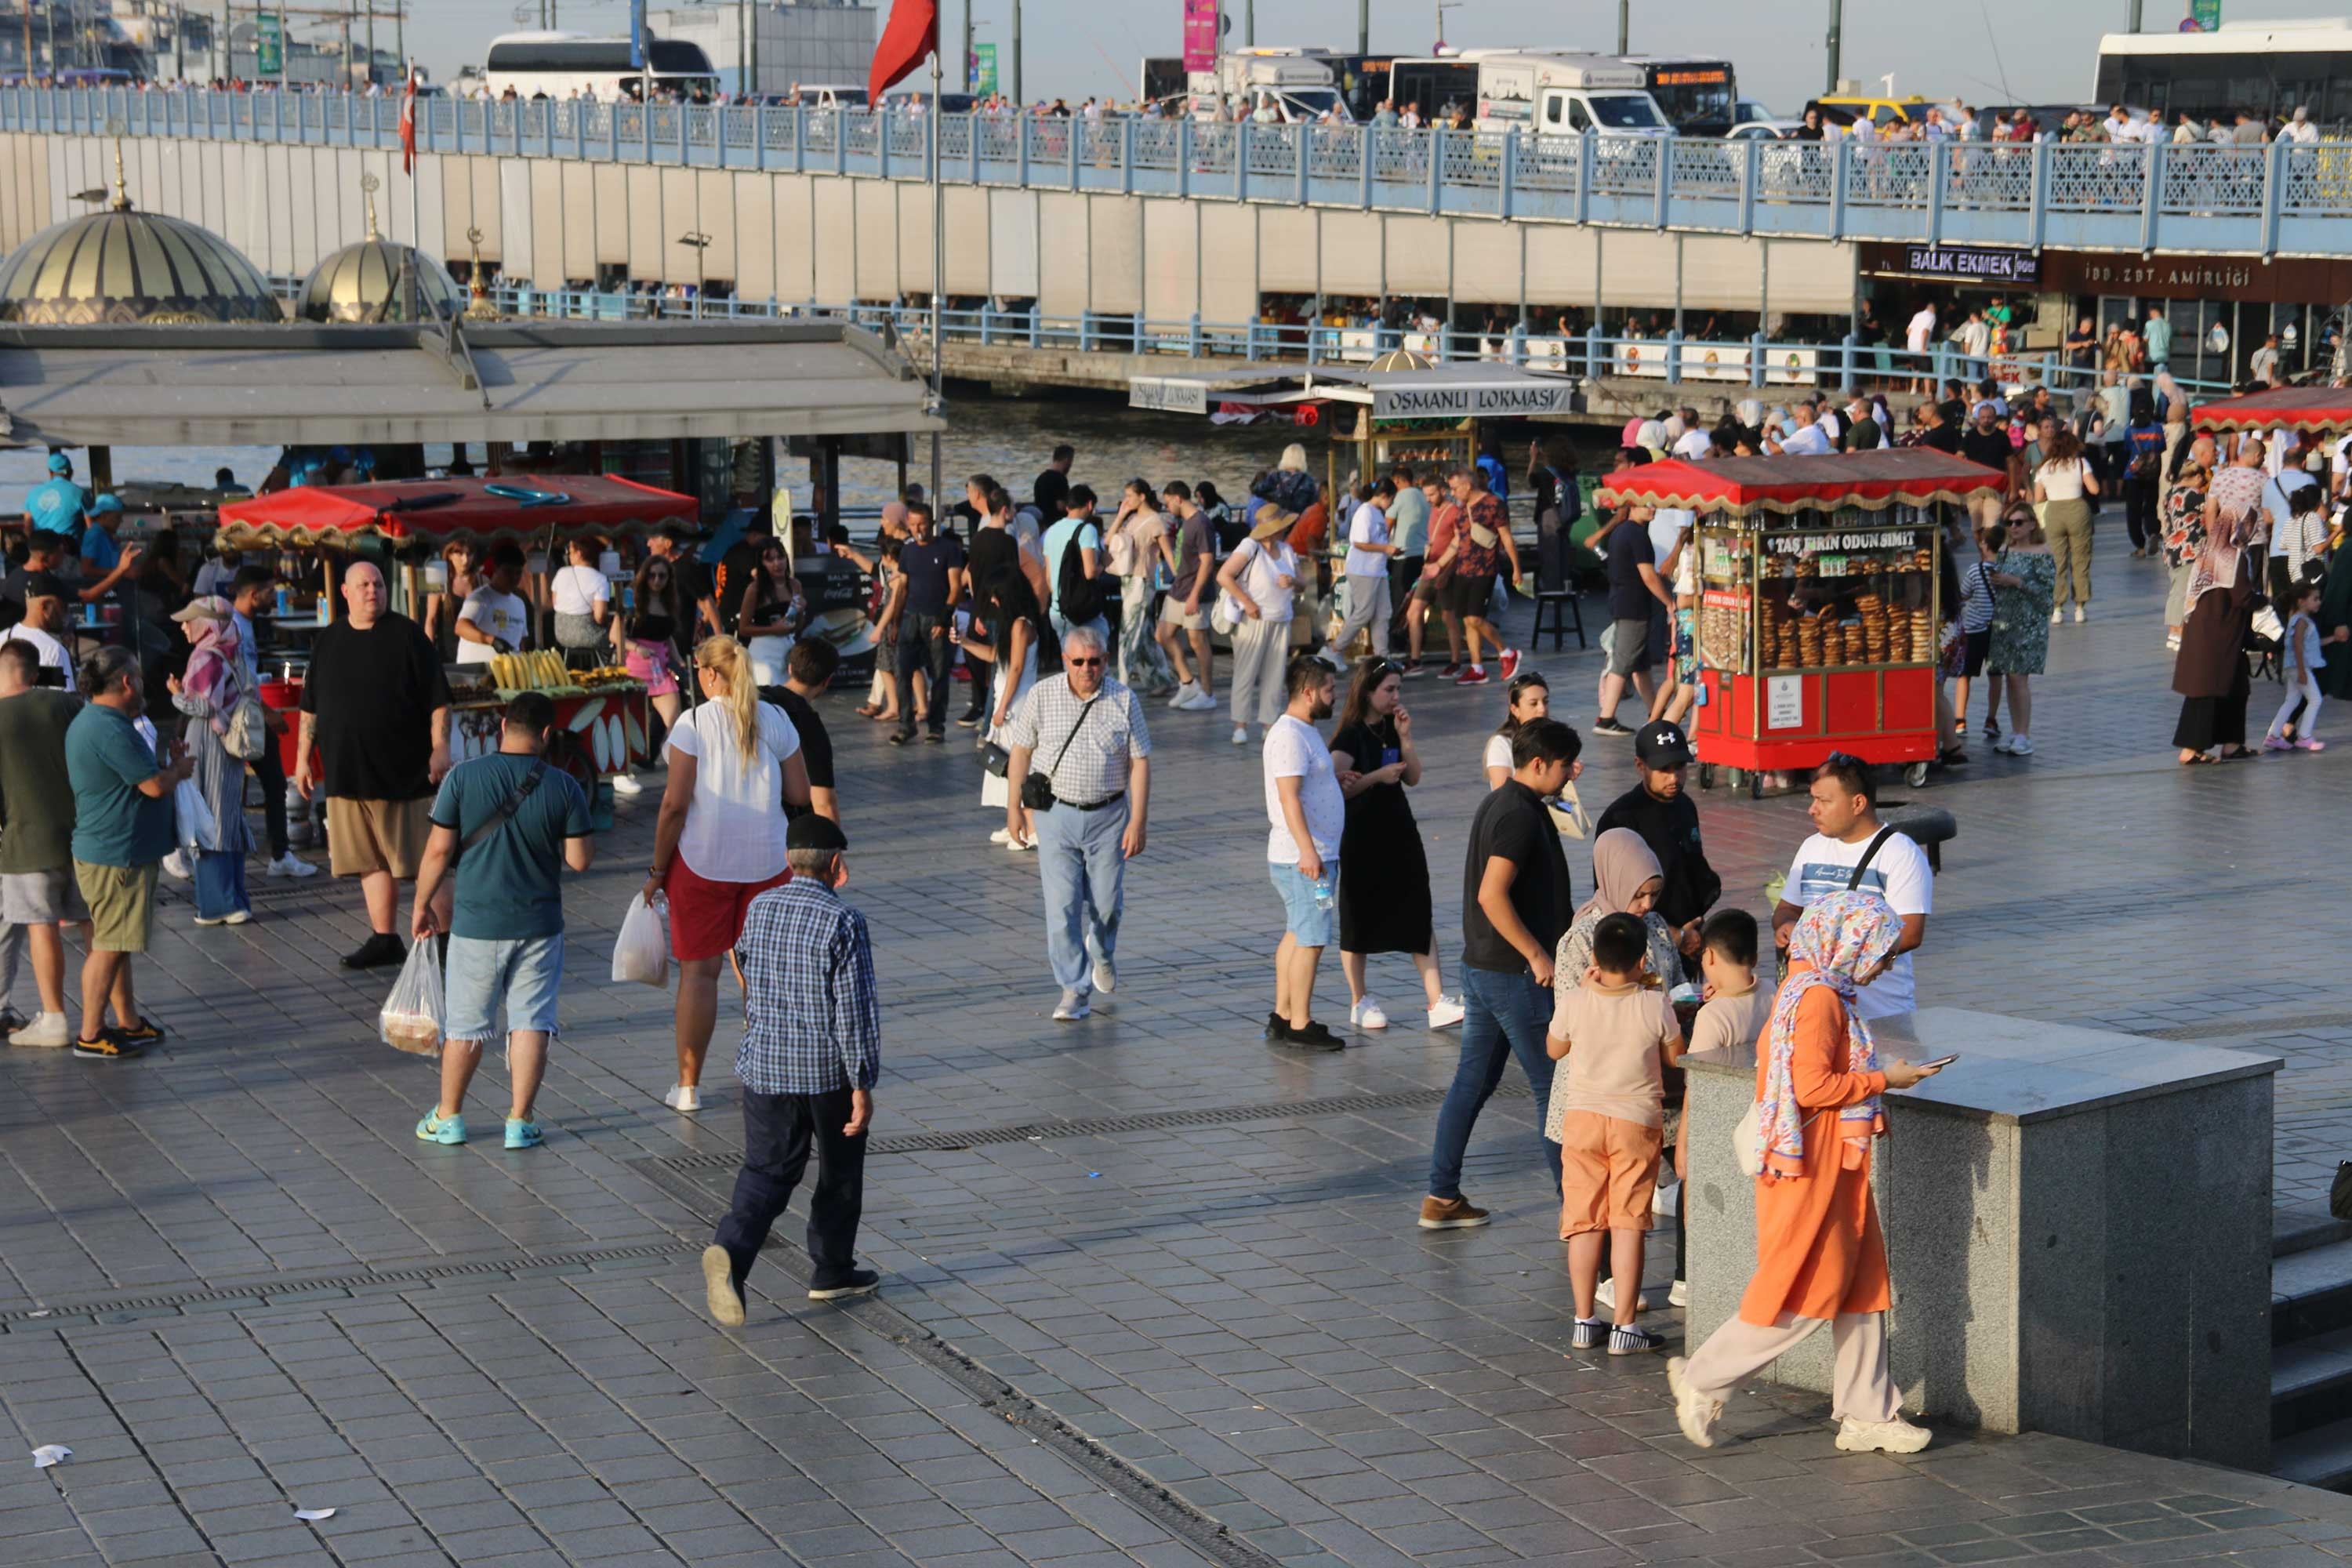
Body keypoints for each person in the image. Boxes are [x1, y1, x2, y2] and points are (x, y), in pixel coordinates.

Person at [1668, 892, 1947, 1455]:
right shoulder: (1819, 999)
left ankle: (1869, 1412)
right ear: (1849, 946)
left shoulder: (1813, 988)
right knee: (1804, 1293)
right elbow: (1812, 1087)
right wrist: (1883, 1080)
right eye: (1881, 952)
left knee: (1861, 1287)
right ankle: (1705, 1377)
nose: (1886, 964)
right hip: (1812, 1169)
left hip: (1827, 1165)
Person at [699, 813, 882, 1324]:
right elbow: (855, 1009)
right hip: (827, 1072)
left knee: (767, 1170)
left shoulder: (759, 907)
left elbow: (743, 967)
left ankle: (732, 1255)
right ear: (837, 867)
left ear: (788, 861)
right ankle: (832, 1271)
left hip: (765, 1065)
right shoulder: (844, 921)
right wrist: (863, 1082)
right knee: (840, 1170)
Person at [408, 691, 593, 1149]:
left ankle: (449, 1118)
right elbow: (579, 861)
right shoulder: (564, 786)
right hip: (540, 924)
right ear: (548, 735)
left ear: (503, 725)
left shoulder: (463, 777)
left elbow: (438, 850)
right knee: (531, 1020)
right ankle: (520, 1121)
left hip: (476, 925)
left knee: (467, 1024)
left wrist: (421, 903)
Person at [1423, 718, 1581, 1231]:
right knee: (1554, 1090)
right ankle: (1575, 1208)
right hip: (1514, 976)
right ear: (1538, 764)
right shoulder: (1517, 814)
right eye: (1565, 765)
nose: (1571, 773)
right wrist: (1538, 955)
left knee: (1473, 1081)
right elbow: (1492, 894)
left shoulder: (1505, 802)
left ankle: (1441, 1196)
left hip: (1484, 969)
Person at [646, 636, 811, 1110]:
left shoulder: (692, 723)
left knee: (699, 975)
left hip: (703, 862)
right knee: (764, 974)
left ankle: (688, 1087)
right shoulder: (775, 718)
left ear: (712, 674)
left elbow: (674, 806)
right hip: (769, 862)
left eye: (697, 668)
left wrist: (658, 869)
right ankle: (775, 1074)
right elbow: (799, 792)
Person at [296, 561, 452, 971]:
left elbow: (438, 699)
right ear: (345, 593)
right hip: (347, 773)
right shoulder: (328, 640)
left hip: (405, 772)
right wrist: (302, 759)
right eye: (363, 585)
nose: (373, 591)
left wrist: (440, 747)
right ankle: (385, 938)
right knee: (368, 859)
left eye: (379, 584)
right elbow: (310, 707)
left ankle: (447, 940)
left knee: (426, 859)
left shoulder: (408, 636)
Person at [1546, 909, 1682, 1357]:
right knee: (1627, 1223)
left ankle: (1584, 1320)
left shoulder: (1576, 1001)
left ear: (1595, 958)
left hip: (1582, 1119)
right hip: (1635, 1121)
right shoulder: (1653, 1003)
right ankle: (1625, 1327)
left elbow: (1554, 1049)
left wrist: (1587, 992)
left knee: (1584, 1220)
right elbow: (1674, 1055)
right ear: (1643, 958)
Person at [1000, 623, 1152, 1022]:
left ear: (1105, 660)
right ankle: (1074, 988)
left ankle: (1102, 952)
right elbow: (1020, 752)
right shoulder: (1042, 695)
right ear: (1066, 661)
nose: (1087, 668)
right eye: (1079, 661)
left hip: (1109, 816)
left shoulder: (1124, 698)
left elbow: (1140, 762)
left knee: (1106, 905)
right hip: (1056, 815)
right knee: (1062, 905)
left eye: (1095, 661)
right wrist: (1013, 807)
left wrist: (1139, 819)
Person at [64, 646, 191, 1060]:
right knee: (110, 946)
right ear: (125, 681)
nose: (142, 685)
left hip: (113, 850)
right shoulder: (110, 728)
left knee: (115, 941)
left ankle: (128, 1022)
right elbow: (152, 786)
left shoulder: (101, 722)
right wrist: (178, 771)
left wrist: (165, 768)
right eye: (138, 677)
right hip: (116, 853)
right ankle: (90, 1033)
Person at [1770, 756, 1933, 1020]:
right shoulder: (1812, 847)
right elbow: (1787, 909)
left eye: (1824, 801)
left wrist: (1856, 952)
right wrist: (1788, 926)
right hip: (1818, 1012)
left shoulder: (1900, 853)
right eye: (1813, 799)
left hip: (1882, 1015)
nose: (1813, 809)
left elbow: (1911, 932)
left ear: (1858, 803)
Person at [0, 640, 85, 1048]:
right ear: (34, 673)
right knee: (92, 924)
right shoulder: (68, 706)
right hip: (82, 834)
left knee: (40, 925)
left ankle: (54, 1018)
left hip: (25, 841)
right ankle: (105, 1013)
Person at [1262, 657, 1346, 1050]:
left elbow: (1305, 785)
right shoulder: (1290, 735)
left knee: (1297, 932)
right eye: (1329, 689)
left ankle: (1282, 1014)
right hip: (1306, 859)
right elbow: (1288, 797)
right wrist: (1309, 852)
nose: (1334, 696)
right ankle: (1300, 1021)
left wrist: (1333, 780)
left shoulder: (1304, 730)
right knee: (1312, 939)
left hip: (1307, 855)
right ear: (1308, 692)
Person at [164, 597, 255, 927]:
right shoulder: (233, 650)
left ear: (206, 624)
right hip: (227, 745)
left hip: (208, 742)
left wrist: (176, 694)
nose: (184, 626)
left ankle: (220, 905)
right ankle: (234, 898)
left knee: (207, 817)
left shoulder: (205, 656)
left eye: (190, 621)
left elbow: (204, 707)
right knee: (225, 816)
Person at [2174, 441, 2267, 764]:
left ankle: (2231, 743)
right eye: (2249, 523)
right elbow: (2242, 596)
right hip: (2220, 635)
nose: (2251, 528)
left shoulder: (2208, 551)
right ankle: (2192, 750)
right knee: (2210, 691)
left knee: (2233, 687)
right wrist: (2266, 601)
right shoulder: (2234, 556)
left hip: (2208, 632)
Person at [1595, 720, 1720, 932]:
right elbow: (1613, 901)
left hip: (1692, 932)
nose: (1673, 778)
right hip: (1646, 941)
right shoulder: (1620, 819)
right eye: (1663, 769)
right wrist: (1674, 936)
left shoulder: (1685, 805)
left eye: (1679, 767)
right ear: (1639, 765)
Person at [963, 563, 1042, 846]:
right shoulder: (1017, 624)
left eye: (996, 596)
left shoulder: (1021, 625)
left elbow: (1017, 668)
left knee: (1019, 766)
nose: (993, 602)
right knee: (1008, 766)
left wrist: (1000, 707)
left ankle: (1030, 827)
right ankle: (1016, 822)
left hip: (1017, 706)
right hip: (1010, 703)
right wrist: (965, 642)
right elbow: (998, 657)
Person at [1215, 506, 1302, 746]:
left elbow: (1302, 583)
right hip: (1253, 618)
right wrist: (1248, 603)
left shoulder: (1287, 550)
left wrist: (1292, 581)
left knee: (1275, 673)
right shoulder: (1249, 547)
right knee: (1246, 671)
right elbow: (1224, 575)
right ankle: (1240, 725)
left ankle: (1269, 723)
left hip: (1281, 617)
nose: (1284, 531)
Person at [608, 553, 689, 797]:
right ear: (644, 576)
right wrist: (636, 648)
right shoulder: (633, 599)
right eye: (652, 575)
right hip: (635, 664)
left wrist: (677, 660)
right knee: (630, 718)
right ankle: (625, 770)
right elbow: (615, 636)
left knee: (675, 718)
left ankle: (680, 766)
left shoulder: (669, 601)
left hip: (660, 666)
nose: (657, 580)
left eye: (662, 576)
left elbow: (667, 635)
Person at [1982, 510, 2056, 757]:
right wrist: (1997, 579)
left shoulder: (2042, 554)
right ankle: (2016, 732)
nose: (2013, 527)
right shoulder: (2004, 551)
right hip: (2005, 621)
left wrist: (2017, 582)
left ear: (2032, 525)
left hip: (2029, 623)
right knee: (2009, 678)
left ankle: (2024, 734)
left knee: (2018, 678)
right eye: (2009, 523)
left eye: (2019, 522)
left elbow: (2047, 597)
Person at [1593, 504, 1670, 736]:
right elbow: (1648, 575)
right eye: (1648, 504)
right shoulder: (1637, 534)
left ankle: (1656, 712)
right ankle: (1606, 718)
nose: (1653, 508)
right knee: (1624, 662)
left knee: (1640, 664)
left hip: (1623, 601)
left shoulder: (1621, 531)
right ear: (1633, 505)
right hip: (1633, 606)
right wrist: (1669, 602)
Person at [1443, 468, 1519, 687]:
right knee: (1467, 619)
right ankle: (1477, 668)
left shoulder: (1494, 504)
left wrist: (1516, 568)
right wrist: (1439, 565)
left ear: (1468, 486)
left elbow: (1507, 537)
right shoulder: (1459, 510)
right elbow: (1457, 542)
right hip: (1462, 570)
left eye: (1455, 488)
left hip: (1484, 570)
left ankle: (1506, 652)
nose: (1453, 493)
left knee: (1476, 618)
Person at [1154, 480, 1218, 711]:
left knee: (1198, 641)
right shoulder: (1186, 523)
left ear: (1178, 498)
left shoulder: (1201, 523)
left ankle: (1208, 693)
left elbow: (1207, 561)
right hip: (1179, 588)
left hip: (1194, 592)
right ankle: (1188, 682)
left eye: (1167, 502)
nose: (1166, 507)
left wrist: (1195, 595)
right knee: (1162, 634)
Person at [1105, 480, 1174, 694]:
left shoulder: (1155, 521)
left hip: (1142, 580)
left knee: (1129, 630)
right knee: (1143, 632)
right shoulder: (1133, 519)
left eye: (1130, 496)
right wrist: (1120, 515)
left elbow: (1167, 552)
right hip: (1128, 579)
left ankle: (1122, 682)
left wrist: (1178, 577)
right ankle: (1161, 678)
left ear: (1142, 496)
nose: (1127, 500)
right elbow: (1109, 540)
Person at [765, 639, 842, 824]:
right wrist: (834, 848)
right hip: (783, 826)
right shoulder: (811, 727)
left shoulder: (756, 698)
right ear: (827, 681)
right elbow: (824, 803)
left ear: (790, 669)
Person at [2034, 426, 2100, 623]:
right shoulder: (2080, 463)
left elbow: (2038, 498)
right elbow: (2094, 489)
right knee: (2081, 560)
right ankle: (2080, 608)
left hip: (2054, 512)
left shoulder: (2044, 468)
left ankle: (2057, 609)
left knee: (2057, 562)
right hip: (2078, 510)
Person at [1331, 481, 1396, 659]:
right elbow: (1359, 543)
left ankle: (1382, 655)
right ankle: (1335, 648)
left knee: (1383, 613)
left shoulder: (1377, 513)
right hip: (1363, 570)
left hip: (1378, 569)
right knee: (1364, 612)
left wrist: (1387, 548)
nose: (1392, 504)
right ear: (1384, 496)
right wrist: (1385, 549)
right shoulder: (1365, 512)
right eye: (1392, 499)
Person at [2264, 579, 2328, 752]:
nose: (2318, 602)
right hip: (2299, 667)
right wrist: (2302, 670)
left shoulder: (2298, 619)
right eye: (2314, 599)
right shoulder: (2301, 621)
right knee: (2315, 699)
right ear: (2302, 602)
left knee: (2291, 700)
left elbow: (2310, 644)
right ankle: (2304, 736)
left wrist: (2334, 639)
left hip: (2291, 666)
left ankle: (2274, 735)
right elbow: (2298, 645)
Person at [1042, 486, 1109, 648]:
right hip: (1082, 611)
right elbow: (1090, 572)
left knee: (1072, 664)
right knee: (1096, 660)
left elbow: (1049, 578)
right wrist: (1104, 564)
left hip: (1058, 610)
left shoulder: (1051, 531)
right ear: (1090, 505)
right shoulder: (1087, 530)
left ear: (1067, 507)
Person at [452, 543, 532, 665]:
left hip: (509, 673)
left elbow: (520, 642)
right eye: (508, 572)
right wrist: (492, 640)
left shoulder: (519, 603)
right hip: (478, 672)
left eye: (518, 573)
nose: (513, 578)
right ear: (495, 569)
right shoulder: (480, 598)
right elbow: (461, 627)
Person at [1, 573, 78, 691]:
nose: (66, 613)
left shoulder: (2, 638)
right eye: (63, 606)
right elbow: (64, 704)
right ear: (46, 606)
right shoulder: (54, 650)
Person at [548, 538, 612, 670]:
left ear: (579, 553)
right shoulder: (600, 579)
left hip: (561, 635)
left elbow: (555, 604)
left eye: (570, 552)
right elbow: (600, 617)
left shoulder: (561, 573)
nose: (568, 555)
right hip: (589, 637)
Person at [1483, 671, 1552, 789]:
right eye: (1533, 704)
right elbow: (1502, 795)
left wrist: (1566, 772)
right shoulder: (1502, 744)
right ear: (1515, 710)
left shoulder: (1553, 738)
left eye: (1545, 702)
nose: (1542, 709)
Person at [1033, 442, 1074, 520]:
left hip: (1042, 522)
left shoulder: (1041, 478)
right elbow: (1061, 506)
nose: (1071, 465)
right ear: (1066, 460)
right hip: (1056, 522)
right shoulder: (1060, 479)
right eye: (1071, 461)